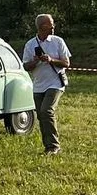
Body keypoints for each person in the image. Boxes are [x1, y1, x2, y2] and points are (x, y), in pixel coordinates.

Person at [22, 13, 71, 155]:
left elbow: (66, 63)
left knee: (46, 111)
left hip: (55, 83)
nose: (53, 28)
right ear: (42, 27)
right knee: (41, 115)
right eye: (51, 25)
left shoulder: (58, 41)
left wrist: (51, 60)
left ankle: (54, 147)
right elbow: (26, 66)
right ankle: (48, 146)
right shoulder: (30, 44)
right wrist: (36, 60)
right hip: (38, 85)